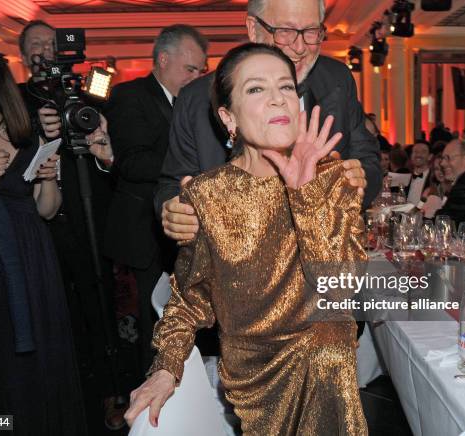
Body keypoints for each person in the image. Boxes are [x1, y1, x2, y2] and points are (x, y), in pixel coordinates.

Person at [125, 42, 368, 435]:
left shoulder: (332, 176)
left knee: (328, 345)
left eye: (286, 87)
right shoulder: (207, 194)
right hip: (255, 377)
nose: (277, 99)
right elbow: (190, 299)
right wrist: (166, 368)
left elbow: (343, 286)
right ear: (228, 117)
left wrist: (306, 195)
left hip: (328, 369)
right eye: (256, 89)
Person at [0, 41, 86, 435]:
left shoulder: (28, 136)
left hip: (33, 263)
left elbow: (46, 209)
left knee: (41, 365)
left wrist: (48, 178)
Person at [156, 0, 379, 244]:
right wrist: (175, 213)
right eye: (285, 31)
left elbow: (367, 161)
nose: (300, 47)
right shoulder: (197, 98)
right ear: (253, 28)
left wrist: (352, 185)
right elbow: (172, 184)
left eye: (311, 31)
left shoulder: (337, 79)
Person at [19, 20, 125, 430]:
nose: (44, 50)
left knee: (102, 308)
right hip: (42, 225)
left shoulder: (88, 96)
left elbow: (107, 160)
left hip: (89, 221)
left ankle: (112, 394)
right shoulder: (14, 100)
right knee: (55, 315)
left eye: (50, 43)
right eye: (35, 45)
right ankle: (68, 399)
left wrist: (100, 141)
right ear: (24, 54)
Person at [102, 24, 209, 372]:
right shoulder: (129, 96)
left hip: (179, 236)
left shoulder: (195, 103)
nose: (196, 77)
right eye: (189, 69)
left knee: (179, 322)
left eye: (200, 71)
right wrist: (190, 160)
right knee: (144, 331)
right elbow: (132, 163)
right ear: (163, 59)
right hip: (141, 237)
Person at [406, 140, 432, 206]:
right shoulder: (405, 177)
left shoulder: (434, 180)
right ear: (411, 156)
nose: (418, 155)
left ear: (430, 157)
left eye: (423, 152)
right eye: (415, 151)